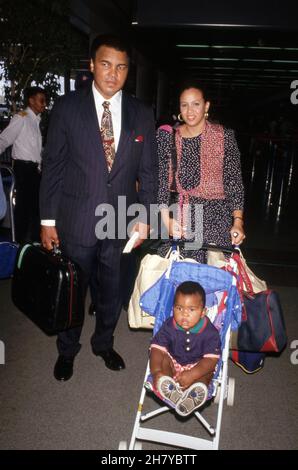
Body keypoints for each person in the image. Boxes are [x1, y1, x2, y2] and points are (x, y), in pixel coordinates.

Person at [40, 34, 157, 381]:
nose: (113, 73)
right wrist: (48, 221)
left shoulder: (141, 113)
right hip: (76, 218)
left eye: (121, 67)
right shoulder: (67, 108)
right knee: (75, 289)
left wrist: (147, 217)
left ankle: (103, 343)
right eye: (105, 65)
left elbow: (149, 171)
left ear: (127, 71)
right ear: (92, 66)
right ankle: (67, 349)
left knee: (111, 289)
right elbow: (54, 167)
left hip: (121, 220)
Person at [157, 80, 245, 261]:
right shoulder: (167, 137)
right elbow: (161, 183)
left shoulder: (224, 137)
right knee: (176, 281)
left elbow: (234, 181)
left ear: (206, 105)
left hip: (215, 222)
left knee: (210, 281)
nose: (190, 111)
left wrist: (238, 222)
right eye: (184, 105)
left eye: (196, 104)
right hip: (180, 220)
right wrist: (166, 219)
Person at [150, 281, 221, 417]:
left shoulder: (210, 333)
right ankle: (169, 388)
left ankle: (194, 394)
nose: (184, 314)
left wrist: (192, 374)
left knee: (208, 372)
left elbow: (210, 360)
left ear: (203, 312)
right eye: (179, 308)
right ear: (173, 308)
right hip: (174, 363)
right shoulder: (170, 326)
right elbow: (157, 349)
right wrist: (156, 372)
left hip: (198, 365)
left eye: (191, 309)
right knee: (162, 356)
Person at [0, 86, 46, 243]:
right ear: (31, 100)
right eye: (41, 100)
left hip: (33, 171)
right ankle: (18, 246)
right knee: (23, 211)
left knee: (36, 211)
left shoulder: (35, 121)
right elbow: (4, 139)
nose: (44, 104)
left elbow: (35, 151)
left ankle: (33, 246)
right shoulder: (22, 118)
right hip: (23, 170)